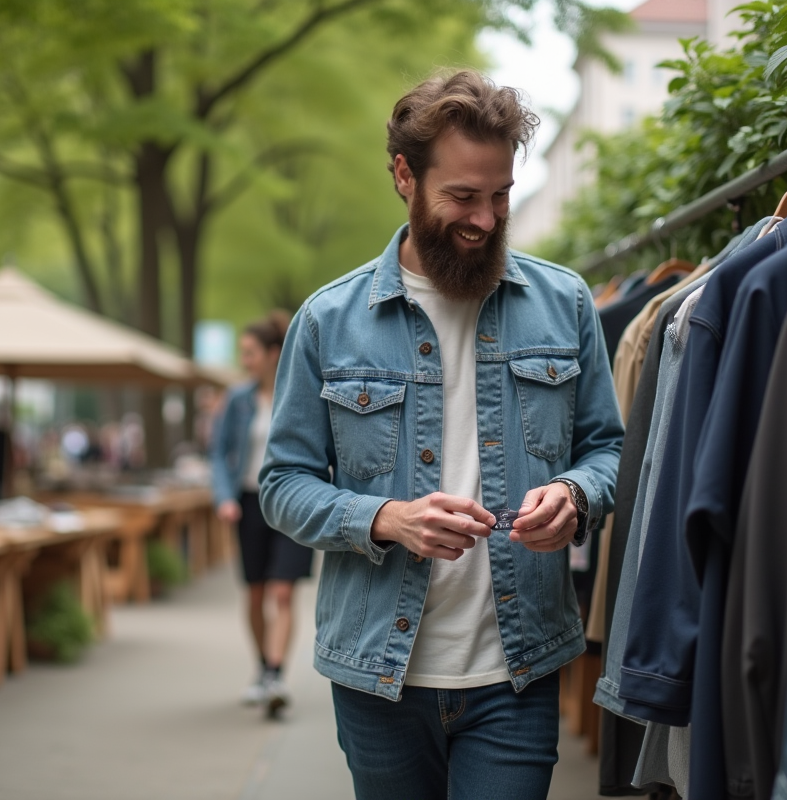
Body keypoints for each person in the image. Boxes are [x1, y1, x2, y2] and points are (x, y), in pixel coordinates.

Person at [259, 71, 624, 800]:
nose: (485, 219)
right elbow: (281, 485)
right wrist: (385, 518)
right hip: (377, 679)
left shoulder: (565, 302)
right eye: (462, 196)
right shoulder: (327, 320)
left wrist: (575, 495)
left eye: (501, 195)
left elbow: (608, 449)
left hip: (517, 675)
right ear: (404, 175)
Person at [211, 311, 314, 717]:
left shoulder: (301, 391)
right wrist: (224, 496)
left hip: (292, 502)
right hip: (249, 503)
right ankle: (261, 667)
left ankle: (275, 674)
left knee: (283, 591)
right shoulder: (236, 400)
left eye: (250, 353)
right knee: (255, 593)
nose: (244, 361)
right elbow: (219, 454)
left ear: (274, 353)